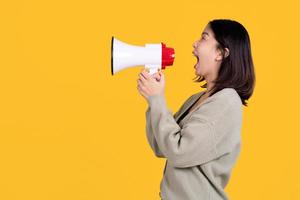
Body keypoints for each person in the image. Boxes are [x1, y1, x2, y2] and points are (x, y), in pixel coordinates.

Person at [137, 19, 255, 200]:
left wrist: (158, 99)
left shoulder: (226, 102)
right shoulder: (198, 99)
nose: (195, 43)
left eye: (204, 38)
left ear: (221, 53)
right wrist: (153, 101)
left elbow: (179, 152)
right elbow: (161, 146)